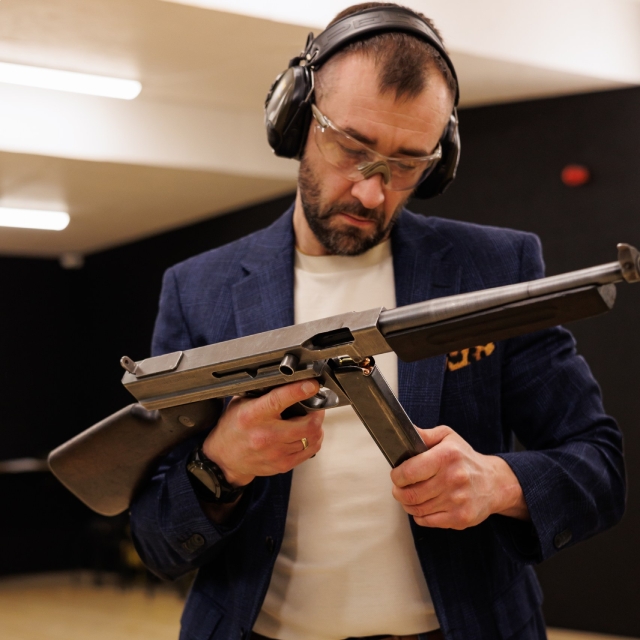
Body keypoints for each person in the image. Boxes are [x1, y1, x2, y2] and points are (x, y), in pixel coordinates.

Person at [129, 4, 625, 640]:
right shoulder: (198, 289)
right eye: (352, 147)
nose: (372, 192)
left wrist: (497, 482)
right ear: (297, 118)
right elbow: (157, 538)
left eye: (407, 164)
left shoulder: (495, 267)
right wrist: (219, 465)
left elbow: (600, 469)